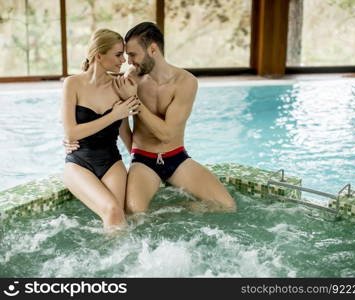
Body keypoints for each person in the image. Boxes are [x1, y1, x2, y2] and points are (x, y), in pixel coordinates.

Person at [66, 22, 236, 214]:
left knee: (226, 205)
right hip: (143, 160)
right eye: (125, 55)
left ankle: (169, 212)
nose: (128, 62)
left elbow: (167, 134)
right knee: (134, 213)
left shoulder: (186, 82)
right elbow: (99, 101)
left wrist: (134, 99)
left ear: (153, 49)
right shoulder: (130, 78)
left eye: (132, 54)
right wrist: (73, 138)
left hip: (176, 158)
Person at [62, 29, 140, 229]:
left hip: (111, 162)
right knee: (112, 210)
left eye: (123, 54)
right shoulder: (73, 84)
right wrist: (114, 115)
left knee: (118, 216)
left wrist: (148, 164)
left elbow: (127, 138)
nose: (123, 60)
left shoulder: (119, 87)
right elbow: (71, 133)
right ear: (98, 55)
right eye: (117, 54)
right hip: (79, 162)